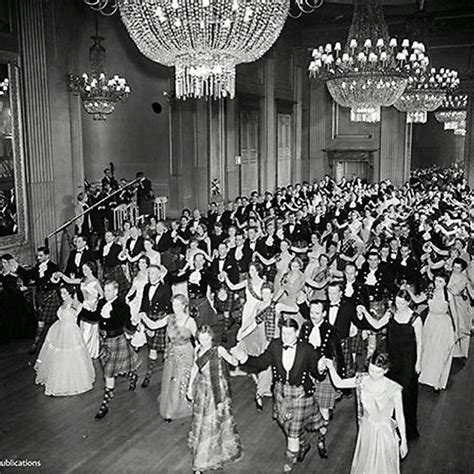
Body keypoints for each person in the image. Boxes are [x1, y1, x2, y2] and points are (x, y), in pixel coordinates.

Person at [234, 318, 327, 472]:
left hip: (301, 395)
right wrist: (244, 358)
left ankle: (290, 465)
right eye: (283, 333)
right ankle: (303, 443)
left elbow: (317, 374)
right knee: (288, 427)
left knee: (300, 431)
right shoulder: (275, 345)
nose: (286, 337)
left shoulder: (307, 349)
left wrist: (321, 368)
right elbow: (261, 363)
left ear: (297, 333)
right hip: (281, 393)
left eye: (290, 334)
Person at [324, 352, 408, 474]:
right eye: (371, 370)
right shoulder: (362, 380)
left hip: (384, 434)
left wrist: (404, 441)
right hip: (367, 430)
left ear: (386, 370)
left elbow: (400, 416)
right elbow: (339, 383)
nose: (373, 374)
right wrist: (331, 367)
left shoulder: (393, 389)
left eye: (377, 372)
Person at [358, 290, 422, 441]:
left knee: (406, 392)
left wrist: (419, 362)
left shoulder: (415, 319)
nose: (398, 306)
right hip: (392, 359)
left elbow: (420, 342)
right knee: (390, 392)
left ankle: (408, 429)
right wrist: (365, 311)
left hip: (408, 359)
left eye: (401, 303)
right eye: (397, 302)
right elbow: (376, 325)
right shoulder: (390, 313)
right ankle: (392, 426)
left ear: (408, 302)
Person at [187, 325, 242, 474]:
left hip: (217, 390)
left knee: (211, 423)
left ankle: (201, 463)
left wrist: (237, 354)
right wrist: (189, 387)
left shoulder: (219, 350)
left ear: (211, 337)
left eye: (206, 339)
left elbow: (234, 363)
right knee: (203, 420)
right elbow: (194, 368)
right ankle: (207, 449)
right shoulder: (198, 349)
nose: (204, 342)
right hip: (202, 388)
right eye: (200, 339)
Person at [142, 294, 196, 421]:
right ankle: (171, 408)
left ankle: (183, 406)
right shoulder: (169, 318)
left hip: (185, 353)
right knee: (172, 381)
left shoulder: (190, 321)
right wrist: (143, 316)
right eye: (173, 304)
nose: (175, 307)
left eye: (178, 305)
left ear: (184, 306)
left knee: (181, 380)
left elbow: (198, 340)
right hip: (172, 353)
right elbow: (154, 325)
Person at [34, 285, 95, 396]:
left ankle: (71, 381)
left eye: (65, 293)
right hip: (59, 331)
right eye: (61, 293)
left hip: (71, 333)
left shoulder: (74, 303)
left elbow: (81, 313)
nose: (63, 296)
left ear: (70, 293)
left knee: (71, 355)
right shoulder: (63, 303)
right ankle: (58, 378)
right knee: (58, 356)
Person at [94, 280, 140, 419]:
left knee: (108, 373)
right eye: (105, 290)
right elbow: (95, 317)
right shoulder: (102, 303)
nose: (105, 293)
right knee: (113, 370)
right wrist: (82, 310)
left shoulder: (122, 307)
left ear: (115, 291)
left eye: (108, 290)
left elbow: (129, 327)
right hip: (104, 342)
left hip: (117, 341)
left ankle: (105, 404)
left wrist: (134, 323)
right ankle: (132, 376)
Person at [407, 273, 455, 391]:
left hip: (444, 324)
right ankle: (425, 377)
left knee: (440, 352)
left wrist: (456, 329)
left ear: (445, 283)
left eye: (441, 282)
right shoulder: (430, 291)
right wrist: (408, 290)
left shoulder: (448, 295)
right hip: (431, 322)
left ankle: (437, 381)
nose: (437, 284)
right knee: (428, 349)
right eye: (436, 281)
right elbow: (417, 300)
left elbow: (454, 313)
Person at [13, 247, 61, 354]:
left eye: (41, 256)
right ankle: (41, 344)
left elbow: (51, 281)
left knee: (46, 322)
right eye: (37, 256)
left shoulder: (54, 267)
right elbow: (28, 274)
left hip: (51, 296)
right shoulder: (38, 266)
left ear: (47, 256)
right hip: (41, 296)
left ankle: (37, 344)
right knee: (43, 321)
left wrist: (39, 282)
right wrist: (17, 268)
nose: (38, 258)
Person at [56, 261, 103, 359]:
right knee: (82, 329)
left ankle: (89, 353)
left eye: (86, 269)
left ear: (91, 269)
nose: (84, 271)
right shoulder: (83, 280)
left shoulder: (95, 282)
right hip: (84, 306)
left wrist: (97, 304)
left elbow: (102, 295)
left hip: (92, 307)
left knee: (89, 331)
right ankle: (83, 352)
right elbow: (69, 281)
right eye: (83, 269)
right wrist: (61, 275)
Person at [139, 264, 172, 388]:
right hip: (149, 317)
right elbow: (143, 303)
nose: (150, 275)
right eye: (149, 273)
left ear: (159, 274)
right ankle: (148, 375)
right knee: (152, 348)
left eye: (153, 273)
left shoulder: (166, 288)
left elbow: (169, 306)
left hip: (161, 318)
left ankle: (168, 376)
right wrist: (142, 320)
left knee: (166, 350)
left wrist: (168, 322)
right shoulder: (146, 286)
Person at [0, 254, 35, 343]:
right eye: (2, 262)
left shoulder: (15, 270)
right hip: (6, 297)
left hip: (16, 297)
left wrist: (22, 287)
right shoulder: (2, 271)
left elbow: (27, 277)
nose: (4, 264)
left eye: (6, 262)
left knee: (19, 316)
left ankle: (19, 335)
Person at [448, 258, 474, 359]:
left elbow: (454, 291)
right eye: (454, 267)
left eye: (458, 268)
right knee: (452, 328)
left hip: (460, 304)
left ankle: (464, 354)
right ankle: (455, 354)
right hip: (449, 304)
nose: (455, 269)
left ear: (462, 268)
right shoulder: (449, 275)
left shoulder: (464, 278)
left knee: (462, 328)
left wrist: (448, 288)